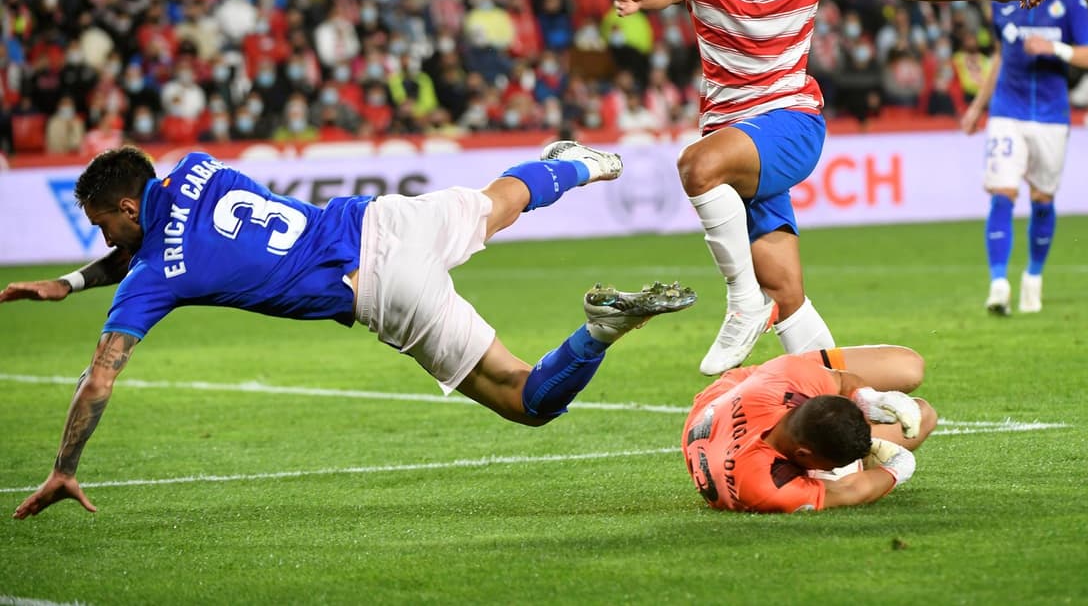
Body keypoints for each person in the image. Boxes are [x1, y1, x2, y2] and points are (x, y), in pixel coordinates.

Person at [3, 141, 697, 518]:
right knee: (497, 203)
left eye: (103, 222)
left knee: (527, 398)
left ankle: (601, 331)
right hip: (382, 218)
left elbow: (101, 372)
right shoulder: (193, 169)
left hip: (381, 288)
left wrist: (64, 467)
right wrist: (70, 281)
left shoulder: (157, 273)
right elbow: (138, 243)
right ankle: (575, 164)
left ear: (126, 207)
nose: (106, 236)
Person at [612, 0, 1049, 375]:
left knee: (696, 167)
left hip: (791, 120)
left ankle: (741, 300)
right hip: (736, 139)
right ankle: (854, 407)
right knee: (788, 296)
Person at [960, 0, 1088, 315]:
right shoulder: (1003, 1)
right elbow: (1002, 57)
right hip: (1008, 111)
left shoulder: (1070, 3)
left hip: (1052, 116)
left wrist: (1054, 47)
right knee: (1002, 192)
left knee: (1042, 200)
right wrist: (978, 107)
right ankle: (999, 283)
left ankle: (1033, 278)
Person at [681, 345, 936, 513]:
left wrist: (868, 399)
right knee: (923, 415)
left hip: (727, 396)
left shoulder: (788, 377)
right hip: (732, 450)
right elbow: (851, 490)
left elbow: (843, 380)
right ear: (803, 455)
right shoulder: (769, 487)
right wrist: (898, 467)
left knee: (908, 367)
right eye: (831, 465)